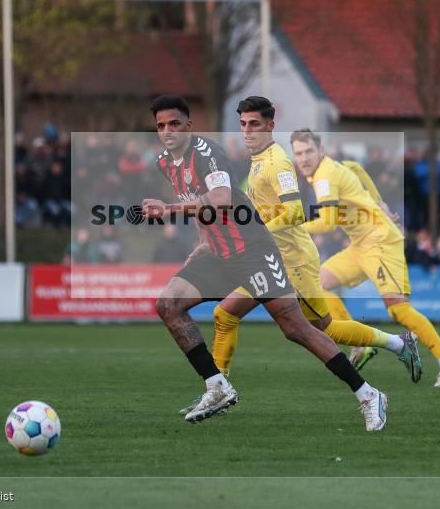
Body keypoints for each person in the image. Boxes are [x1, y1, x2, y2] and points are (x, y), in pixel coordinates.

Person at [142, 95, 387, 430]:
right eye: (160, 126)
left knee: (297, 329)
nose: (167, 132)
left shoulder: (207, 153)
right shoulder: (166, 162)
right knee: (168, 304)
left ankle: (368, 394)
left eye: (174, 124)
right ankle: (217, 386)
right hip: (219, 252)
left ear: (189, 125)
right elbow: (198, 204)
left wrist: (167, 210)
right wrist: (203, 242)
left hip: (254, 250)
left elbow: (220, 198)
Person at [198, 96, 419, 404]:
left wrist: (258, 232)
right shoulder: (257, 161)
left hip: (295, 263)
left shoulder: (277, 163)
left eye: (255, 125)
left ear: (270, 126)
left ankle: (398, 343)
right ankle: (218, 390)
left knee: (324, 329)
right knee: (224, 313)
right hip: (270, 261)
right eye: (243, 125)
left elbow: (295, 213)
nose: (247, 132)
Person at [291, 128, 440, 388]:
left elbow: (327, 223)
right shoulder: (332, 167)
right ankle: (361, 346)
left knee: (398, 309)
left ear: (321, 151)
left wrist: (293, 228)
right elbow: (357, 168)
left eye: (308, 151)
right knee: (319, 283)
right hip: (361, 244)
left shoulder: (324, 175)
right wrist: (379, 202)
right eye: (298, 153)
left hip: (380, 241)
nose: (304, 157)